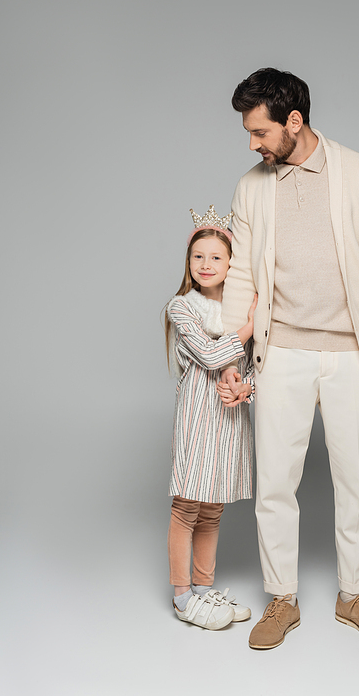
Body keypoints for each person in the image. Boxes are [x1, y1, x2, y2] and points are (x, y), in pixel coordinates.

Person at [220, 68, 359, 649]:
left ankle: (354, 596)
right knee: (275, 482)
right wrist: (232, 349)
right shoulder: (253, 186)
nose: (252, 144)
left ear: (293, 121)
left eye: (259, 132)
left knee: (358, 481)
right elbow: (243, 273)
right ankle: (282, 599)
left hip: (353, 355)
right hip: (280, 355)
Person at [164, 205, 257, 630]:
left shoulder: (237, 312)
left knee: (213, 506)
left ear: (231, 264)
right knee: (187, 505)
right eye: (198, 256)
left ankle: (204, 588)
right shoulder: (182, 307)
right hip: (198, 417)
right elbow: (211, 352)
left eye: (216, 257)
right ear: (188, 262)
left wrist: (244, 387)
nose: (206, 264)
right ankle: (183, 596)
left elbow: (255, 364)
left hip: (229, 420)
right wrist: (249, 327)